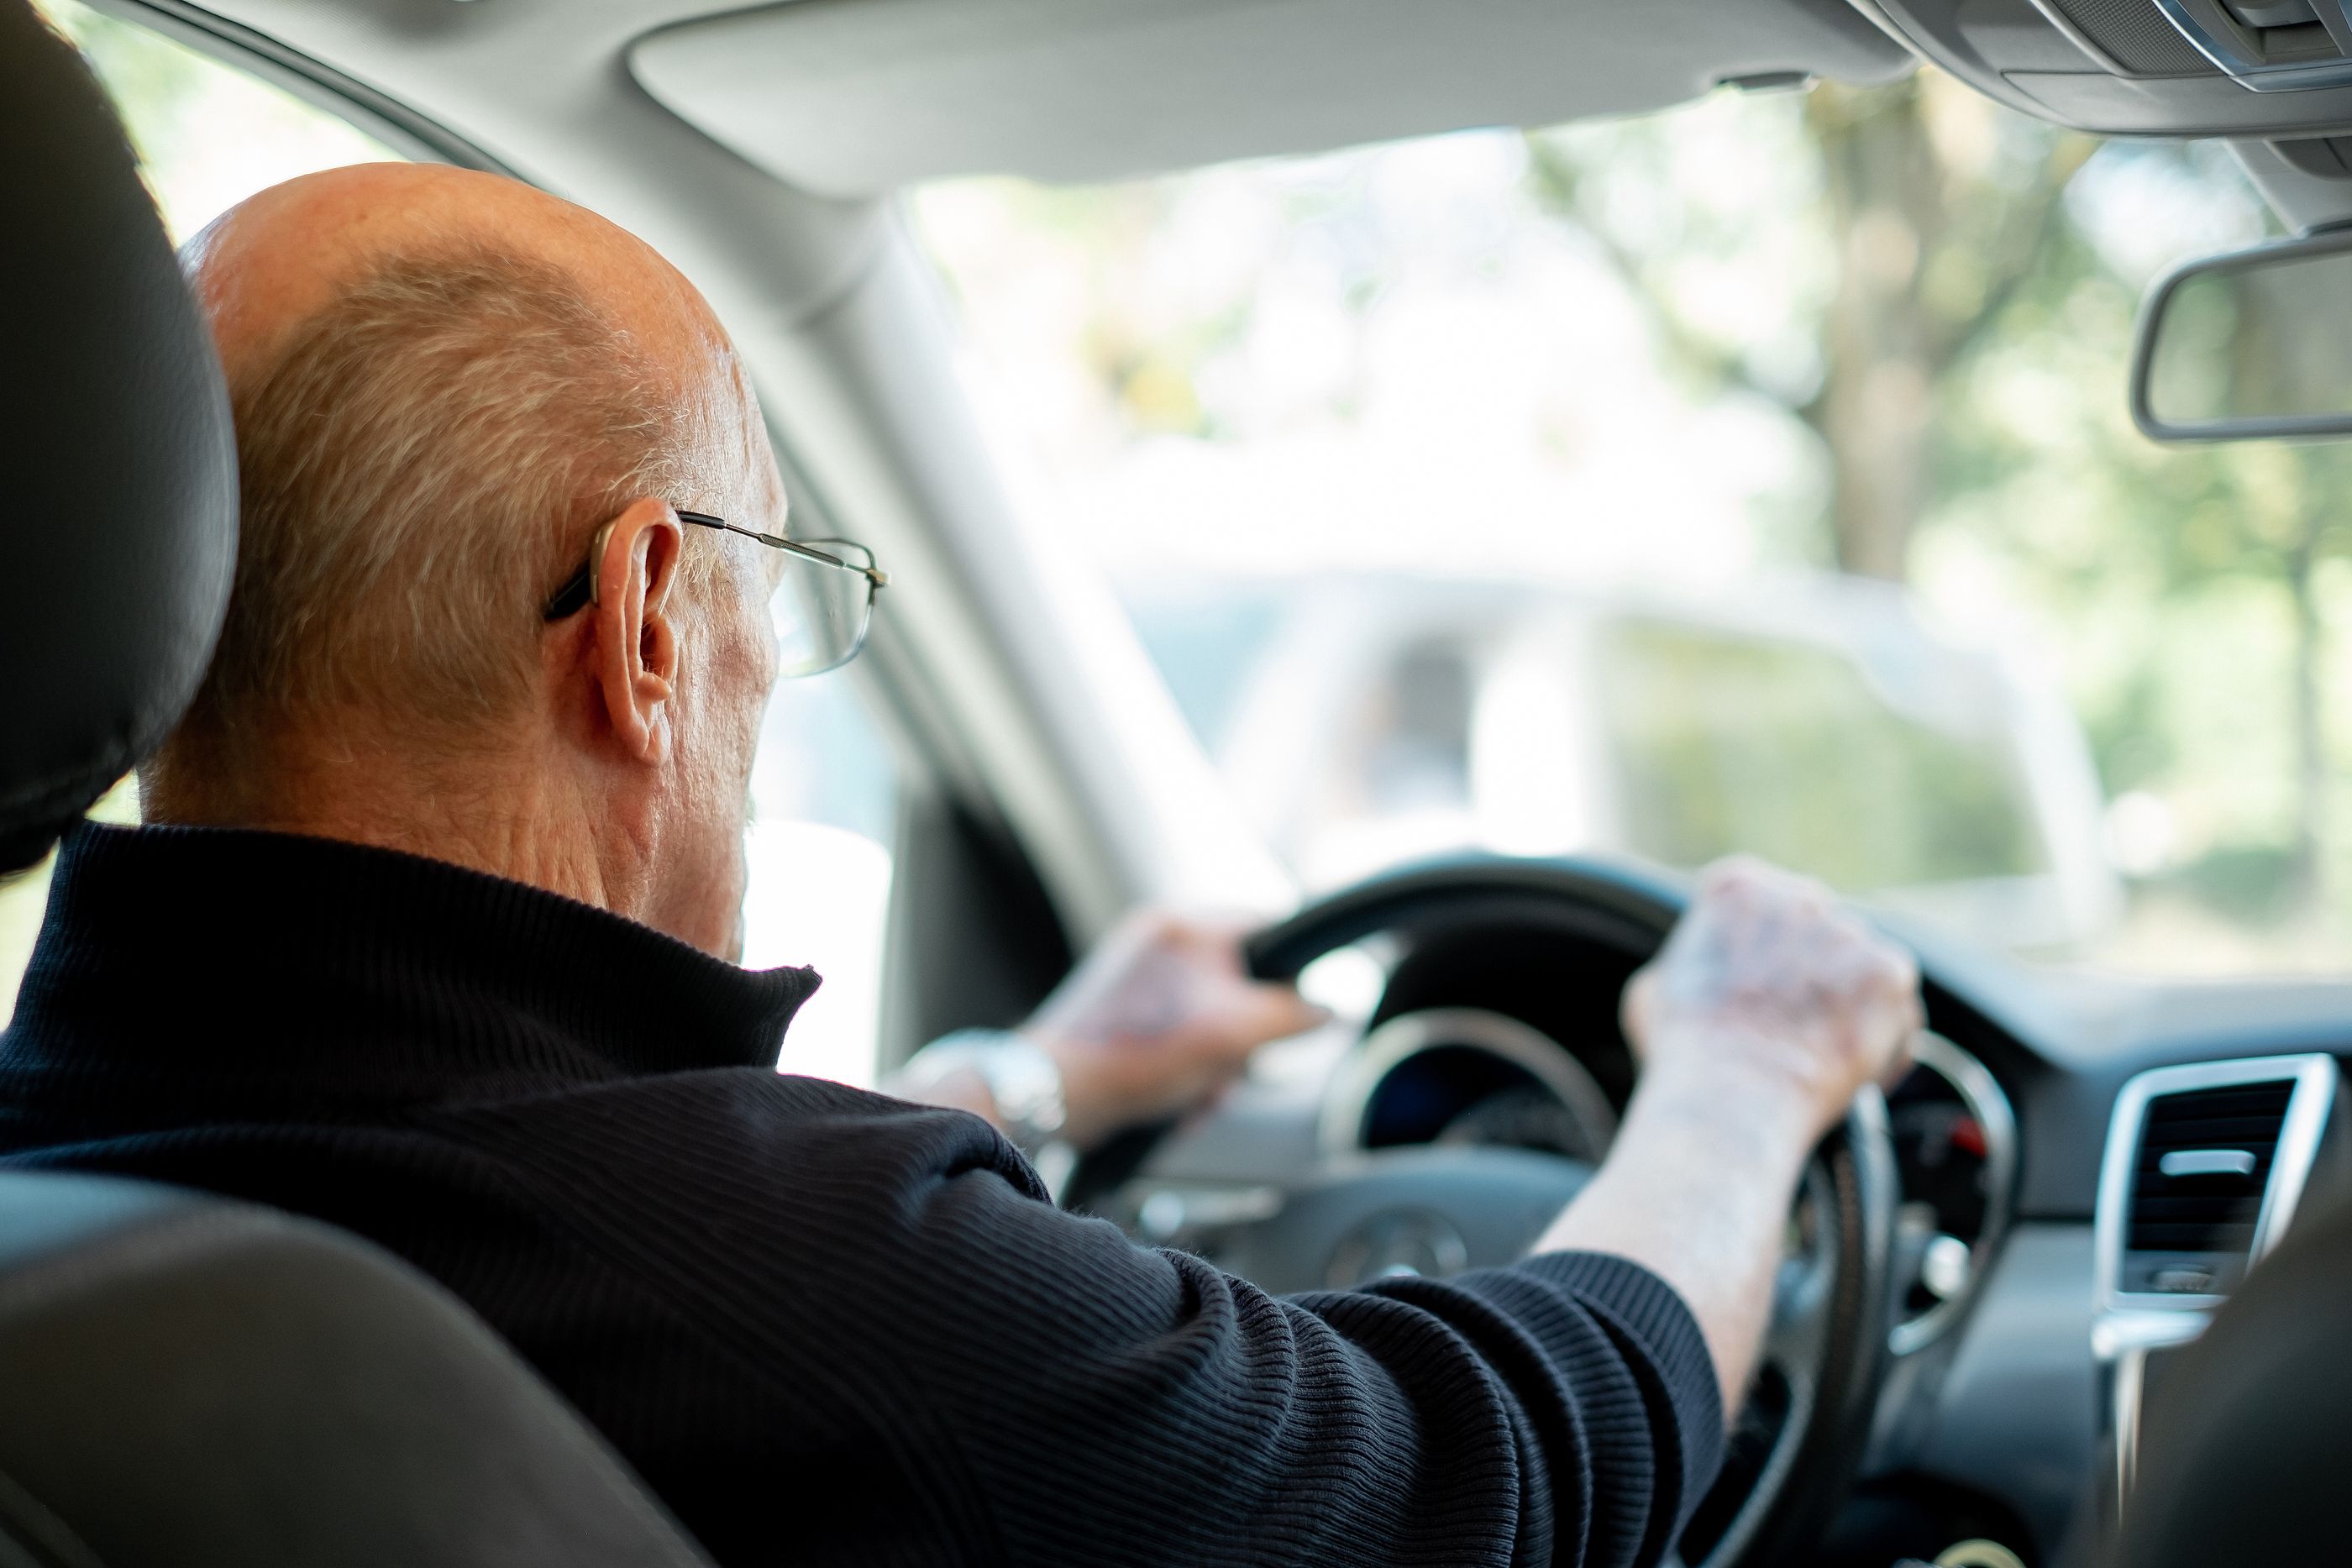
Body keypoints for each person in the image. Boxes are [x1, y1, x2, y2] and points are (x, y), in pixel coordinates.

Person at [0, 163, 1920, 1568]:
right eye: (780, 583)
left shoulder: (67, 1192)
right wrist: (1743, 1080)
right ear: (650, 621)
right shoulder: (826, 1301)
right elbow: (1497, 1466)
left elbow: (544, 1213)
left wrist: (1026, 1081)